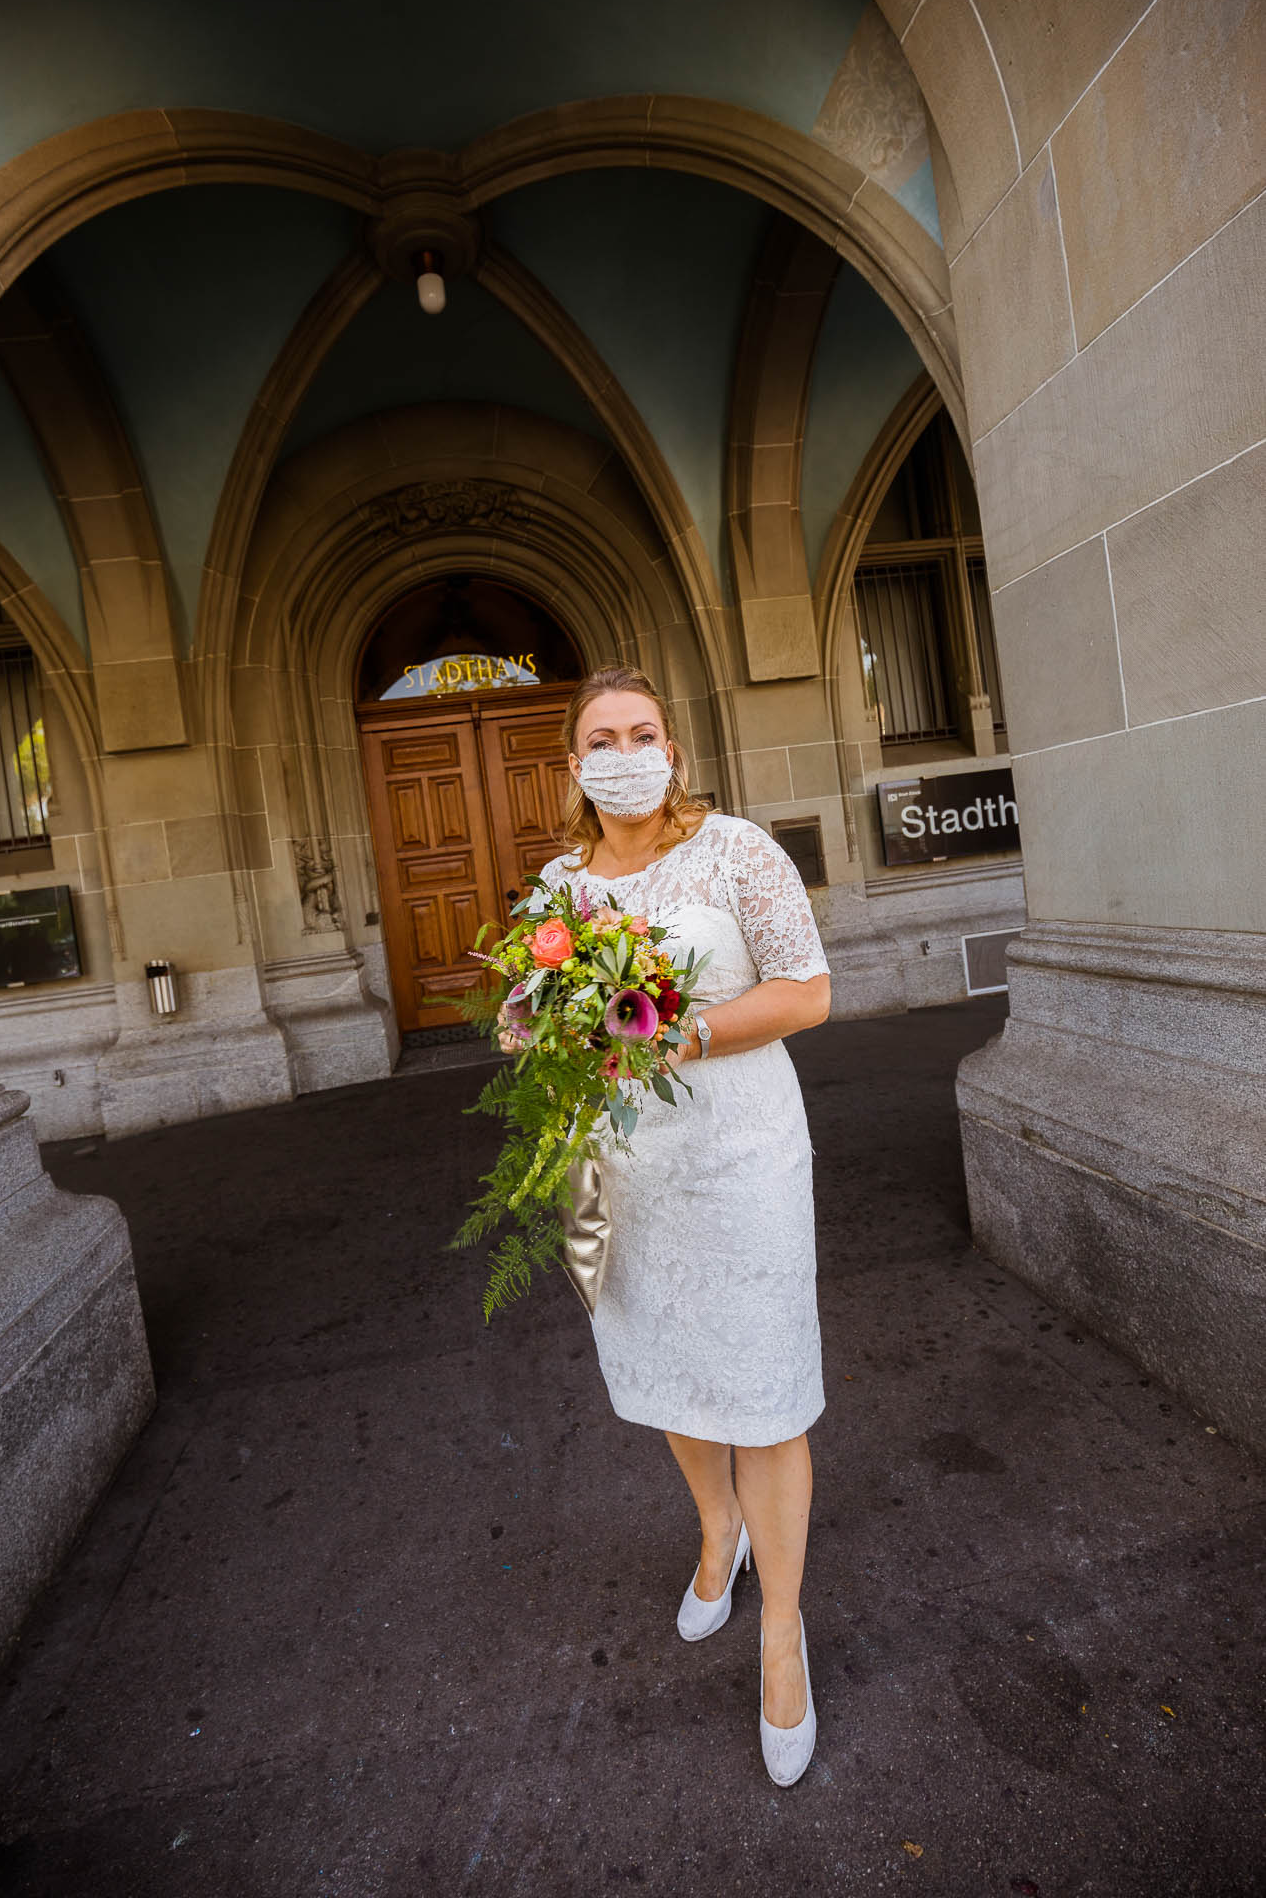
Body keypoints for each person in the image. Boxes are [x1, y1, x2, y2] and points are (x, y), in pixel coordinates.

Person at [527, 663, 832, 1788]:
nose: (623, 751)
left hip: (742, 1158)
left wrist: (679, 1035)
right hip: (627, 1170)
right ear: (573, 764)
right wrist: (540, 1056)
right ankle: (718, 1532)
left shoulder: (738, 850)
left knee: (761, 1386)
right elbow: (545, 1028)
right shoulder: (557, 889)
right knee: (669, 1369)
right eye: (600, 737)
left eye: (640, 731)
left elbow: (806, 990)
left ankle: (781, 1635)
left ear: (675, 750)